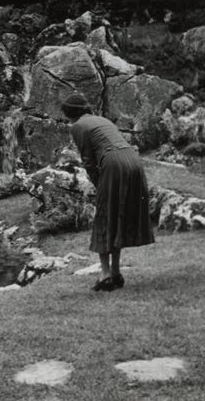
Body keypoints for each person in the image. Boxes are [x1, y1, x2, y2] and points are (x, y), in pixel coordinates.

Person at [61, 92, 154, 291]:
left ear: (69, 113)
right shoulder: (101, 120)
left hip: (114, 163)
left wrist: (99, 185)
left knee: (104, 217)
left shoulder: (77, 126)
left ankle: (105, 276)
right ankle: (116, 272)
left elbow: (88, 161)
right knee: (117, 216)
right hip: (133, 161)